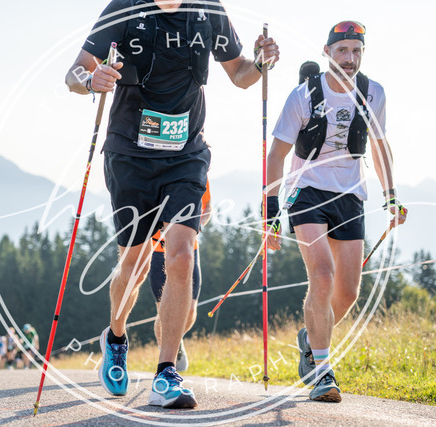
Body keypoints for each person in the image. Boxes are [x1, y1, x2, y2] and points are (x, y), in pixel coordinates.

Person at [65, 0, 280, 409]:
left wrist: (260, 63)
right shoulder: (125, 8)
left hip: (186, 155)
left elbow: (240, 75)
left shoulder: (208, 10)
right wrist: (91, 80)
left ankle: (166, 373)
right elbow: (74, 72)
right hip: (130, 154)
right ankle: (115, 337)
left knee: (181, 256)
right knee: (135, 265)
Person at [266, 20, 407, 403]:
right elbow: (276, 155)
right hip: (307, 191)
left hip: (350, 194)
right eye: (342, 50)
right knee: (323, 275)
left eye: (356, 51)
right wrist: (271, 211)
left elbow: (379, 147)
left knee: (347, 292)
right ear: (327, 51)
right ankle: (322, 370)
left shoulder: (373, 93)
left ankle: (310, 338)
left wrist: (391, 196)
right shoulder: (303, 95)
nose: (350, 58)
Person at [149, 180, 212, 372]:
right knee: (164, 311)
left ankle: (175, 339)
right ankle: (166, 359)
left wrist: (197, 226)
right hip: (158, 250)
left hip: (188, 248)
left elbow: (207, 207)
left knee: (190, 310)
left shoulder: (197, 170)